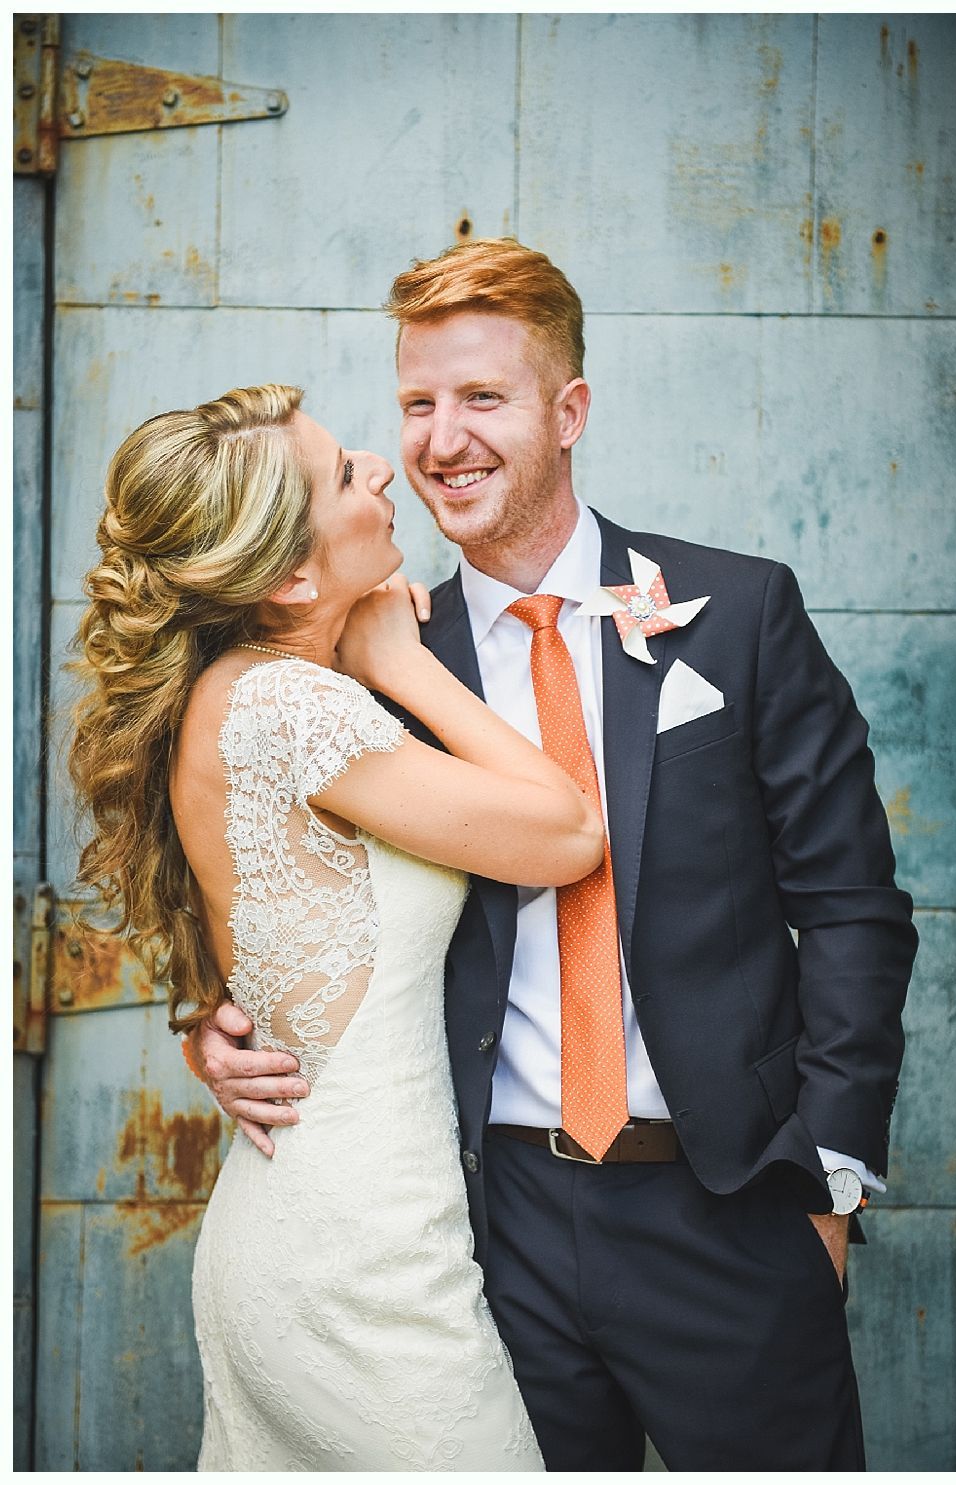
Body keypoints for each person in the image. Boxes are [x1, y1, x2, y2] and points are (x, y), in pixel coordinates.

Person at [193, 242, 918, 1471]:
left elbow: (851, 907)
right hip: (490, 1225)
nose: (442, 441)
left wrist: (828, 1179)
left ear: (568, 411)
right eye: (418, 403)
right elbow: (275, 870)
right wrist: (220, 1019)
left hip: (728, 1203)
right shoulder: (374, 666)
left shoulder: (739, 613)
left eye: (483, 398)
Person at [69, 382, 614, 1470]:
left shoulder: (245, 687)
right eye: (343, 475)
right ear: (289, 579)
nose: (377, 465)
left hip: (313, 1216)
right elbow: (567, 832)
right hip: (358, 1256)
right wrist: (400, 662)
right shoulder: (292, 706)